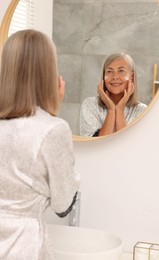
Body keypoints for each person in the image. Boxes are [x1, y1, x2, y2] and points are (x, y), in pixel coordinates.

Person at [0, 29, 80, 259]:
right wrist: (52, 112)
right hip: (21, 247)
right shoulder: (52, 130)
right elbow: (63, 205)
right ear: (49, 74)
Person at [80, 53, 147, 137]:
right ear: (104, 76)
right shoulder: (90, 104)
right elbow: (97, 145)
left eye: (121, 71)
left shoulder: (142, 111)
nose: (115, 76)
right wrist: (111, 109)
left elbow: (128, 146)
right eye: (109, 71)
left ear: (132, 77)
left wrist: (119, 109)